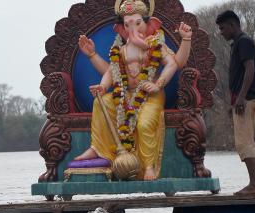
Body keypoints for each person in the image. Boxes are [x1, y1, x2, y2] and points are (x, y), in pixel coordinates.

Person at [74, 0, 193, 181]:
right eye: (128, 25)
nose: (133, 29)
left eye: (138, 23)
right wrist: (103, 86)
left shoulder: (156, 46)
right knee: (101, 101)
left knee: (144, 123)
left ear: (149, 24)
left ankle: (148, 167)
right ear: (122, 29)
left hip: (150, 95)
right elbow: (111, 71)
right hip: (124, 95)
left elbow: (173, 64)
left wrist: (158, 84)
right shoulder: (121, 49)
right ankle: (97, 149)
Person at [216, 10, 255, 195]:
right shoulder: (237, 44)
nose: (221, 32)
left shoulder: (244, 41)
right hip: (243, 99)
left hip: (246, 99)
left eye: (222, 28)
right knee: (249, 143)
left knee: (243, 142)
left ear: (232, 25)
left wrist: (240, 97)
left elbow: (250, 69)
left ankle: (253, 185)